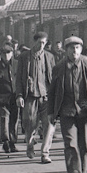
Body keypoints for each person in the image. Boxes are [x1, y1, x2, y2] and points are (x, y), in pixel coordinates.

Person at [51, 36, 87, 173]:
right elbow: (52, 91)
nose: (74, 51)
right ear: (66, 50)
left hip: (85, 111)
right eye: (71, 48)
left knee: (83, 144)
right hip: (67, 111)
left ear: (81, 49)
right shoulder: (59, 67)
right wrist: (51, 113)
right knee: (70, 143)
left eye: (77, 47)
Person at [16, 31, 56, 163]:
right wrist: (19, 95)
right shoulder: (24, 57)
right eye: (39, 42)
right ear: (34, 42)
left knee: (49, 125)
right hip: (30, 96)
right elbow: (19, 79)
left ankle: (45, 153)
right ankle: (30, 143)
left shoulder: (49, 57)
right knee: (29, 123)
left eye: (44, 43)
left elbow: (53, 78)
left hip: (46, 96)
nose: (41, 45)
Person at [0, 42, 20, 153]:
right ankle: (6, 141)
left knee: (14, 120)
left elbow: (21, 80)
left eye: (8, 52)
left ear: (12, 53)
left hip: (15, 97)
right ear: (0, 54)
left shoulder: (17, 64)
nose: (6, 55)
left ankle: (12, 142)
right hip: (2, 97)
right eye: (4, 53)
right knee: (4, 119)